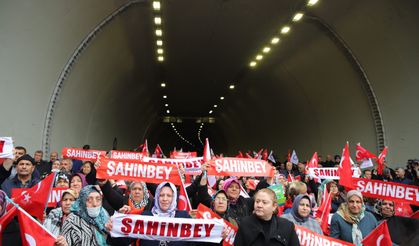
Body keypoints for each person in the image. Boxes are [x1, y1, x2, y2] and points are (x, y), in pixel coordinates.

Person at [234, 188, 300, 246]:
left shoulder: (287, 226)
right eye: (257, 201)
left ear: (274, 206)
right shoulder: (245, 224)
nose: (259, 205)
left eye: (264, 202)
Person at [140, 181, 193, 246]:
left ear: (174, 198)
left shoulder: (184, 217)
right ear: (157, 197)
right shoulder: (145, 216)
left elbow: (199, 241)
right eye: (162, 195)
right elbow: (126, 240)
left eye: (169, 196)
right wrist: (123, 217)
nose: (165, 199)